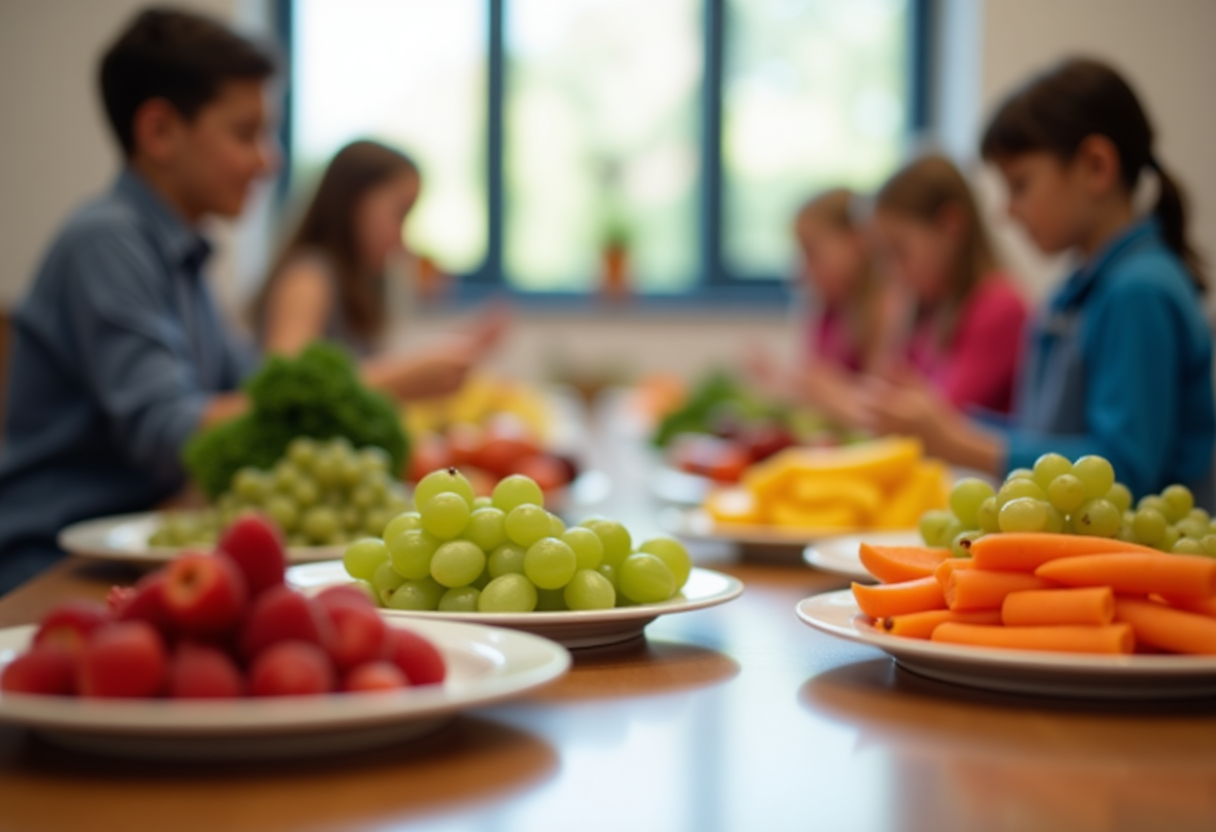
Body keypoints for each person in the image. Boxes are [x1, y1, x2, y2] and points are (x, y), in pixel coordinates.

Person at [0, 8, 277, 594]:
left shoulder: (186, 255)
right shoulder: (106, 239)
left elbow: (249, 394)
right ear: (159, 132)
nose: (267, 159)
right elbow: (175, 438)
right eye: (245, 132)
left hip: (143, 548)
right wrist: (382, 384)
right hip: (52, 566)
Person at [863, 58, 1214, 502]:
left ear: (1095, 166)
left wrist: (957, 442)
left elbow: (1122, 472)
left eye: (1021, 185)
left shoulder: (1138, 291)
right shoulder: (1082, 289)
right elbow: (1047, 440)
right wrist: (945, 421)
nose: (1005, 211)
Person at [253, 139, 506, 399]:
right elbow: (287, 387)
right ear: (355, 201)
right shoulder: (307, 279)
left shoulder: (356, 282)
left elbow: (356, 374)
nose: (402, 237)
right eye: (401, 213)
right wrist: (406, 379)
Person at [867, 154, 1029, 415]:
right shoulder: (929, 308)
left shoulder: (999, 305)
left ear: (951, 225)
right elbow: (884, 392)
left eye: (899, 251)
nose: (891, 271)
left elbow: (941, 420)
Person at [748, 189, 895, 427]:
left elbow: (880, 413)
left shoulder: (887, 307)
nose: (801, 273)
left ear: (856, 241)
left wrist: (831, 394)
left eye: (811, 253)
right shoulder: (825, 311)